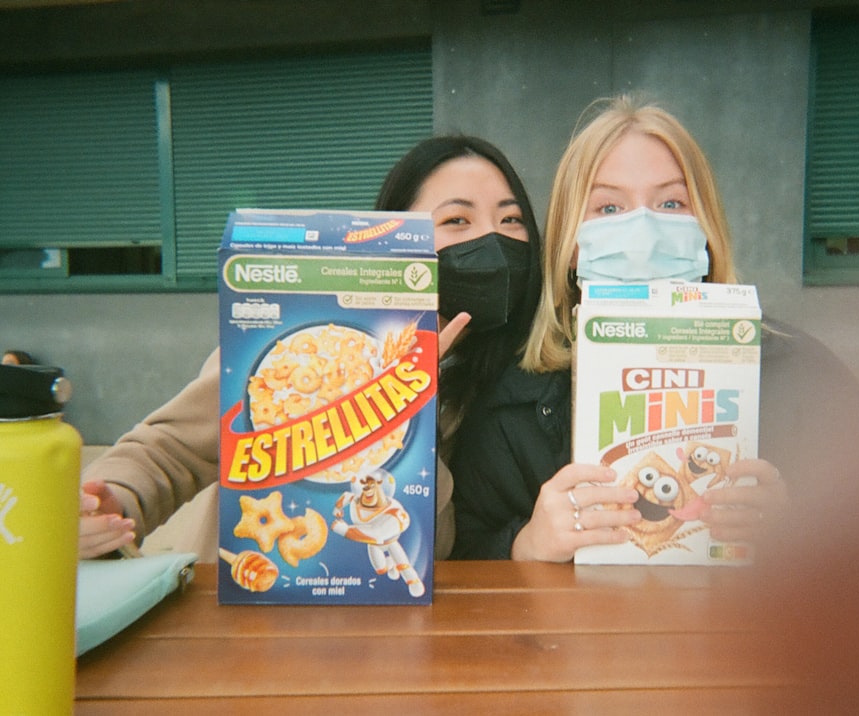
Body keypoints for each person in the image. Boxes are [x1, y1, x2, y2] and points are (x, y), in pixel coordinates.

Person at [79, 135, 543, 561]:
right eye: (457, 220)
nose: (493, 240)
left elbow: (432, 550)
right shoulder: (312, 344)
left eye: (511, 219)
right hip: (246, 616)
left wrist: (414, 408)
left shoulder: (522, 384)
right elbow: (169, 451)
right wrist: (110, 503)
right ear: (398, 234)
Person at [449, 95, 859, 561]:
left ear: (707, 232)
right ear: (570, 246)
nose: (642, 230)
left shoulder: (804, 378)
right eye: (608, 209)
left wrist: (799, 527)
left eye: (671, 202)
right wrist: (523, 545)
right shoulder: (511, 406)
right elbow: (458, 561)